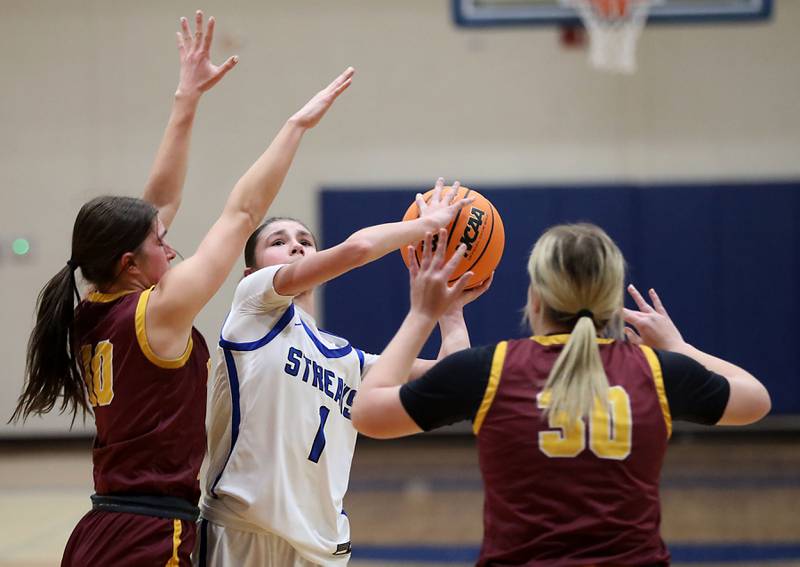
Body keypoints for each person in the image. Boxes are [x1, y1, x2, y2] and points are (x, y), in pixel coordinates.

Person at [11, 10, 355, 565]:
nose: (171, 246)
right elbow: (243, 212)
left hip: (101, 527)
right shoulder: (157, 313)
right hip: (150, 537)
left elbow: (157, 204)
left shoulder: (93, 305)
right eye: (160, 242)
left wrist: (186, 99)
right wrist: (295, 127)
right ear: (130, 261)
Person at [351, 222, 771, 566]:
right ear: (610, 301)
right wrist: (680, 347)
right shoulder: (659, 372)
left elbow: (369, 411)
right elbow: (755, 399)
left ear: (534, 299)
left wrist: (425, 313)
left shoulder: (489, 370)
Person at [197, 179, 491, 566]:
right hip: (241, 535)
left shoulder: (348, 359)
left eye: (305, 240)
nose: (297, 245)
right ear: (250, 274)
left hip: (321, 548)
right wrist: (427, 225)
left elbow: (451, 379)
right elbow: (358, 248)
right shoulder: (251, 308)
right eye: (278, 242)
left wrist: (451, 313)